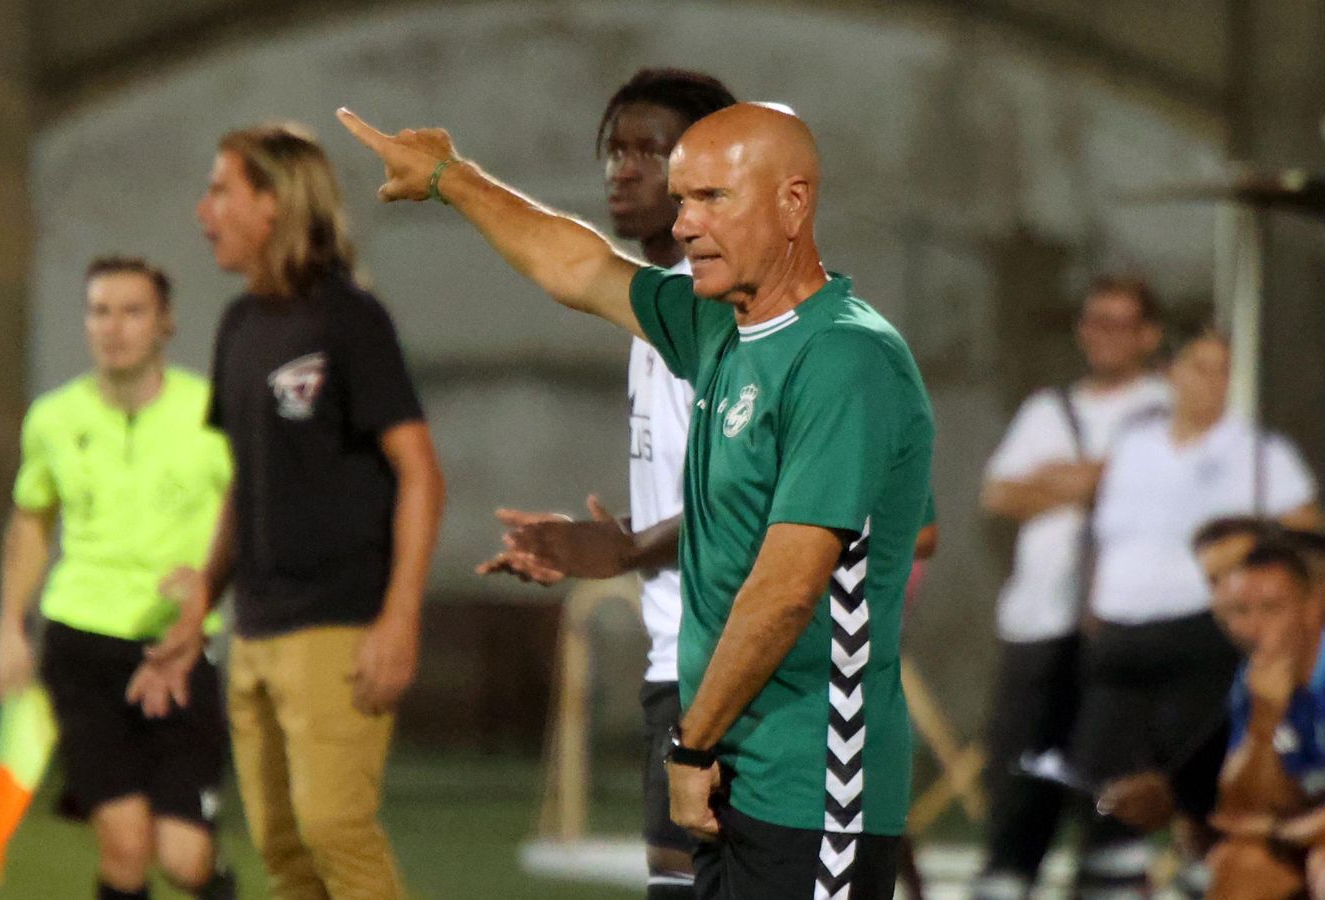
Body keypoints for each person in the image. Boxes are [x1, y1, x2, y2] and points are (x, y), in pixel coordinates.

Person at [338, 101, 934, 899]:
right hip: (732, 769)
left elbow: (787, 591)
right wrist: (451, 179)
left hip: (813, 781)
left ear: (794, 203)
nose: (684, 225)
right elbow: (580, 269)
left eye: (712, 198)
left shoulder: (844, 358)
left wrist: (691, 744)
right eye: (681, 200)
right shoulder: (722, 327)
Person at [129, 123, 445, 899]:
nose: (203, 211)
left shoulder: (350, 319)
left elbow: (421, 474)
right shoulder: (240, 324)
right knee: (283, 852)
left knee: (335, 829)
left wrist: (400, 617)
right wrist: (203, 601)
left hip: (337, 626)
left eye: (220, 190)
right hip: (256, 631)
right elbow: (248, 482)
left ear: (271, 203)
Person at [470, 67, 736, 900]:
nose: (623, 169)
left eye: (648, 151)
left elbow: (751, 503)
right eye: (614, 150)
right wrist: (602, 540)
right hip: (676, 661)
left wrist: (625, 550)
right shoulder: (652, 316)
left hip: (735, 666)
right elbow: (694, 496)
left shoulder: (725, 313)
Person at [0, 257, 235, 900]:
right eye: (100, 311)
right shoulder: (53, 418)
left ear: (165, 324)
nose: (114, 327)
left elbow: (252, 519)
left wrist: (207, 585)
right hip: (81, 646)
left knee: (183, 859)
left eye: (132, 311)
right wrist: (10, 625)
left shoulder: (213, 413)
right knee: (124, 849)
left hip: (179, 649)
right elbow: (31, 521)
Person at [1068, 326, 1321, 897]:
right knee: (1104, 773)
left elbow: (1308, 534)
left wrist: (1250, 581)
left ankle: (1200, 867)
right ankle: (1109, 876)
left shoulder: (1259, 452)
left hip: (1202, 636)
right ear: (1172, 373)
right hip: (1119, 635)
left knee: (1196, 776)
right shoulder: (1134, 444)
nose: (1213, 382)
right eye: (1201, 367)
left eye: (1224, 370)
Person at [971, 276, 1168, 900]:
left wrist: (1061, 481)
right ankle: (1010, 872)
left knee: (1110, 776)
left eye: (1119, 323)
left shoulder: (1164, 409)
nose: (1103, 336)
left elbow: (1154, 489)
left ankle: (1108, 877)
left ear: (1149, 335)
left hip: (1124, 626)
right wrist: (1094, 480)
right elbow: (1000, 493)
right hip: (1040, 621)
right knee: (1021, 770)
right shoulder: (1047, 409)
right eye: (1094, 321)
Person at [1206, 539, 1325, 899]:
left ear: (1311, 608)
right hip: (1322, 829)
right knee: (1238, 864)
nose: (1254, 627)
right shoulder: (1255, 678)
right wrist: (1264, 722)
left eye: (1271, 608)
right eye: (1240, 611)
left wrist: (1275, 830)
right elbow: (1240, 807)